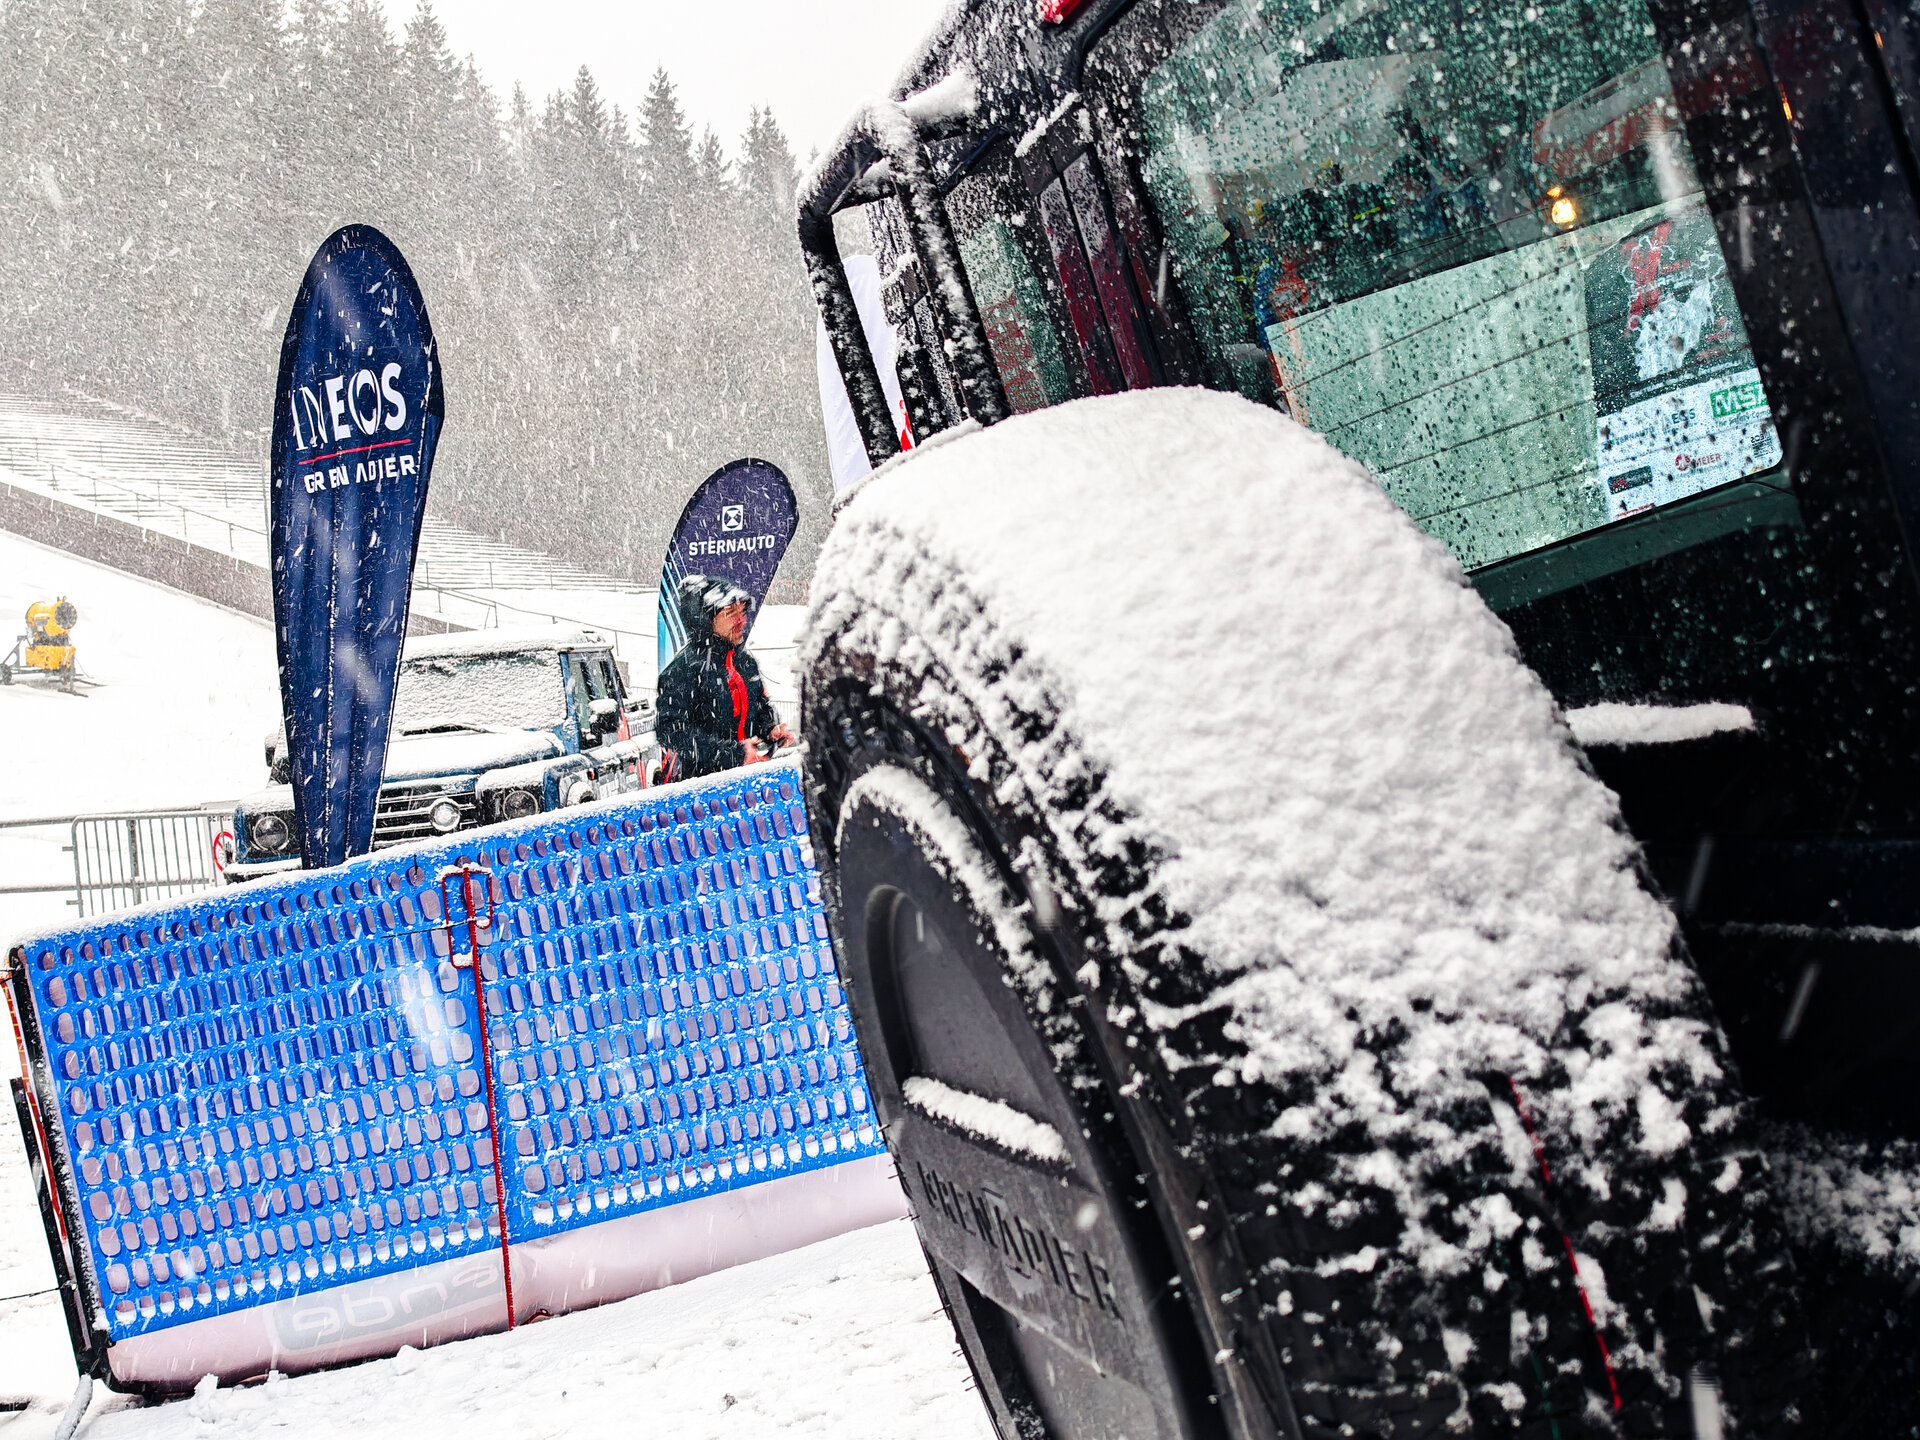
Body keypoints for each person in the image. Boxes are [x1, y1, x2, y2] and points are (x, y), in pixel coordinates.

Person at [654, 574, 792, 779]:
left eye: (743, 611)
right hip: (705, 790)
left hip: (753, 779)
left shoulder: (745, 663)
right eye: (730, 613)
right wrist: (733, 755)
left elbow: (761, 706)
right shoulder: (682, 670)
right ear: (705, 619)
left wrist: (770, 729)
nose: (741, 620)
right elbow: (670, 730)